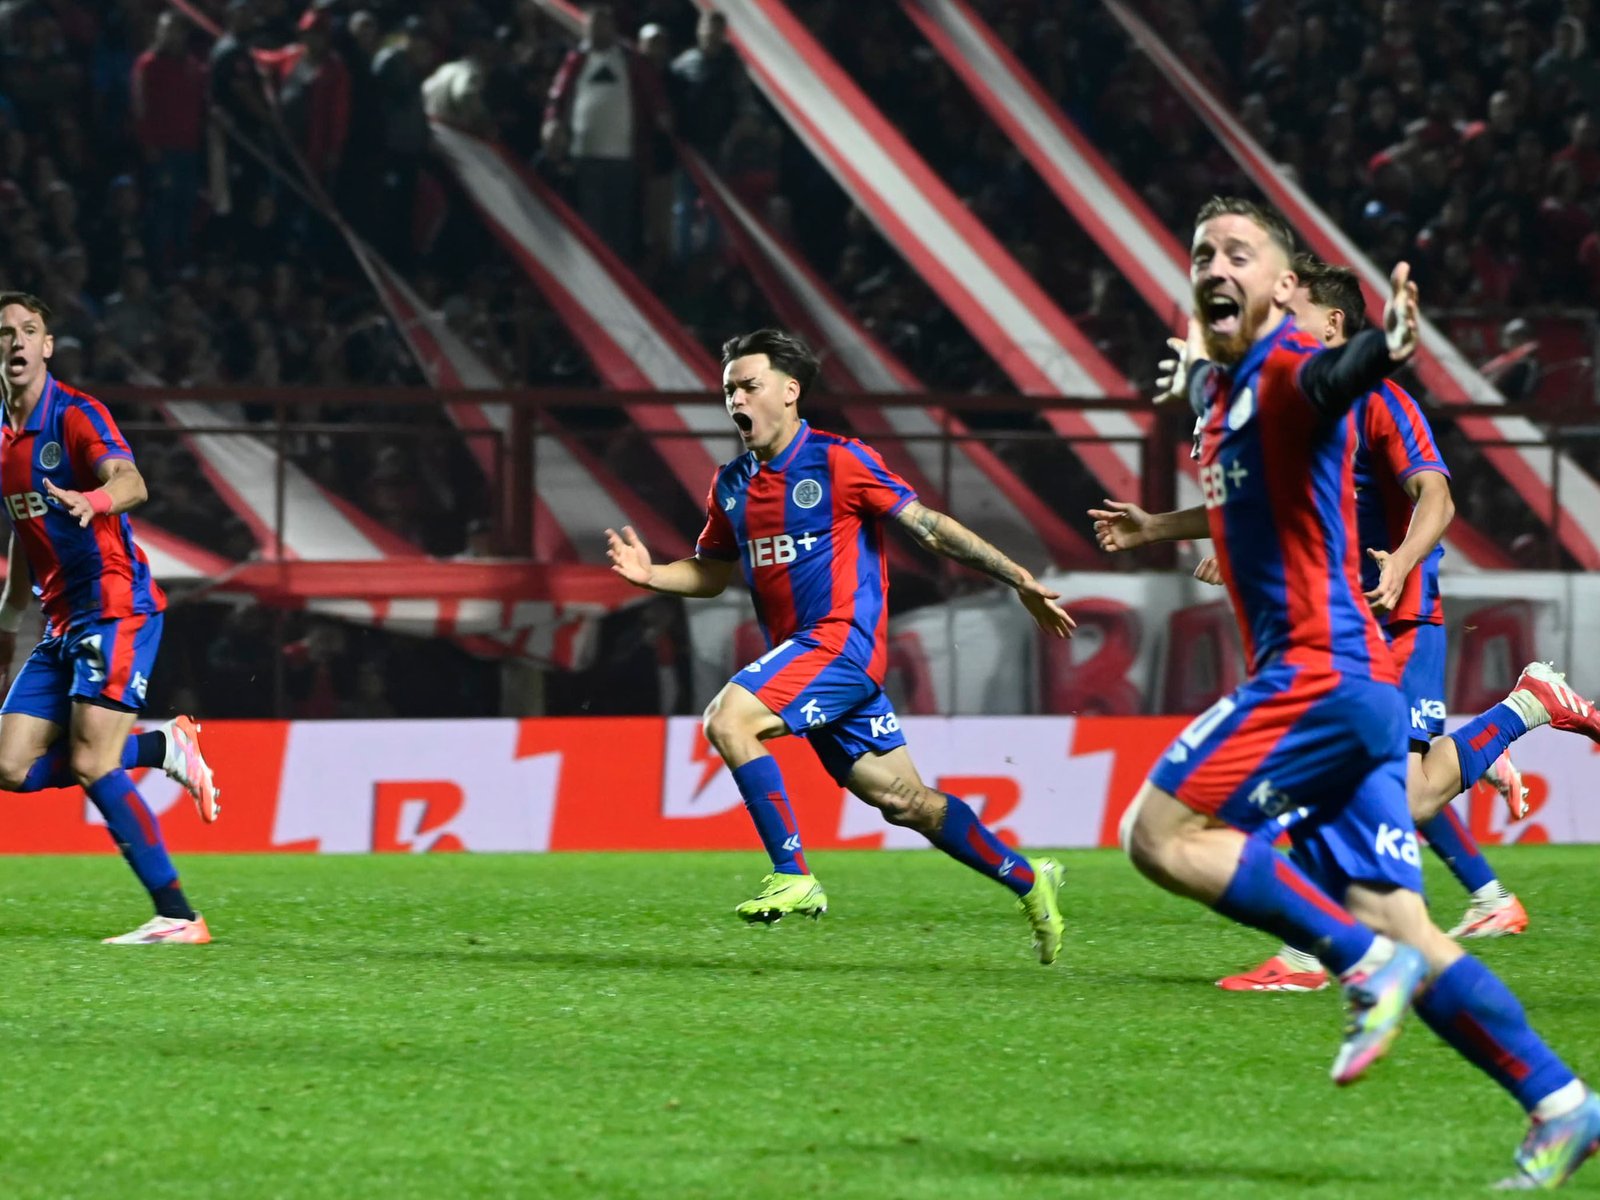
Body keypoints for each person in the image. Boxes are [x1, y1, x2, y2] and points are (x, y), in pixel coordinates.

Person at [1107, 199, 1597, 1189]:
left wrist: (1388, 343)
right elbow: (1230, 442)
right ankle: (1560, 1102)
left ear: (1288, 289)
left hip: (1317, 676)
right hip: (1353, 688)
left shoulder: (1292, 370)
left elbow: (1336, 373)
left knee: (1156, 835)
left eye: (1240, 252)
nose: (1215, 263)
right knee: (1404, 920)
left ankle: (1350, 960)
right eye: (1202, 251)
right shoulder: (1225, 391)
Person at [606, 329, 1073, 962]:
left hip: (840, 648)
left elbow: (929, 529)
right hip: (810, 661)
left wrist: (1019, 578)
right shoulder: (731, 485)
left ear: (790, 391)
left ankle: (794, 873)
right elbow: (712, 572)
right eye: (728, 390)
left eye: (749, 385)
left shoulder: (839, 460)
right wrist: (654, 575)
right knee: (903, 802)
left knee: (728, 719)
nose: (735, 400)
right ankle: (1028, 878)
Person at [0, 293, 219, 945]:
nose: (14, 341)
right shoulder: (3, 438)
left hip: (114, 604)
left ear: (47, 345)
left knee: (95, 763)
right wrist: (12, 616)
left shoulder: (74, 414)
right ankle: (159, 748)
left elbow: (131, 480)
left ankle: (179, 916)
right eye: (3, 332)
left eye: (27, 330)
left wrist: (92, 500)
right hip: (60, 620)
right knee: (8, 768)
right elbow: (22, 524)